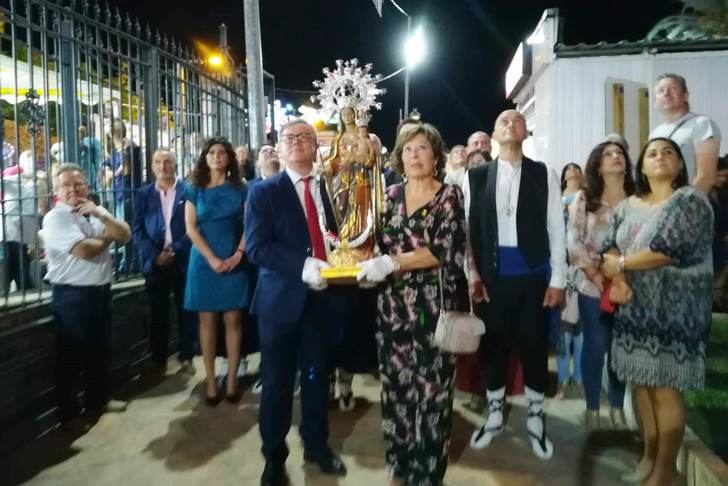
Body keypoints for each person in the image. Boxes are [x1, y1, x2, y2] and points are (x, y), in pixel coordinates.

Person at [356, 122, 468, 486]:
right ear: (399, 157)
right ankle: (398, 469)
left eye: (422, 148)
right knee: (396, 393)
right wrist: (362, 260)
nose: (414, 154)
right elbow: (370, 241)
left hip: (434, 310)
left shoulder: (449, 196)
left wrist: (394, 262)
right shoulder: (387, 196)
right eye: (407, 149)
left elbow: (444, 250)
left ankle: (428, 474)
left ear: (436, 156)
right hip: (391, 310)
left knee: (432, 397)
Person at [601, 138, 713, 486]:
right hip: (634, 309)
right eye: (652, 153)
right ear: (642, 167)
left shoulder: (690, 201)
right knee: (642, 385)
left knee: (665, 388)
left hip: (675, 312)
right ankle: (650, 455)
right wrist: (618, 278)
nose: (660, 157)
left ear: (680, 166)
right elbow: (608, 245)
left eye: (669, 152)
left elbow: (667, 249)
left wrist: (619, 264)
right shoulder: (627, 205)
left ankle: (667, 471)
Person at [246, 120, 348, 485]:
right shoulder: (264, 192)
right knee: (276, 383)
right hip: (279, 304)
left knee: (317, 378)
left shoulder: (331, 188)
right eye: (291, 137)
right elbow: (257, 248)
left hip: (322, 300)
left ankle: (317, 446)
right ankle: (274, 456)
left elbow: (342, 236)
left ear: (316, 146)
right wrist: (300, 264)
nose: (298, 143)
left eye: (306, 137)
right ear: (281, 147)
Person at [465, 109, 566, 460]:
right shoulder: (476, 177)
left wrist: (558, 278)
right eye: (504, 120)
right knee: (493, 347)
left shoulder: (544, 174)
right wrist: (473, 276)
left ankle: (536, 414)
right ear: (493, 133)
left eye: (518, 120)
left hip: (535, 277)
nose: (511, 123)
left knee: (534, 345)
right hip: (493, 279)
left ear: (526, 132)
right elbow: (469, 234)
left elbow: (557, 227)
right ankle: (495, 413)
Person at [40, 163, 131, 423]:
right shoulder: (56, 217)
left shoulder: (91, 212)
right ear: (57, 191)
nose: (73, 189)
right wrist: (108, 237)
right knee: (71, 356)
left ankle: (97, 401)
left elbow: (125, 233)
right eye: (66, 185)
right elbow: (84, 250)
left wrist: (102, 215)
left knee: (99, 351)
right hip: (72, 296)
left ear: (87, 187)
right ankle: (69, 414)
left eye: (78, 183)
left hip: (100, 291)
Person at [567, 142, 634, 429]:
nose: (615, 157)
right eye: (608, 154)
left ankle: (618, 407)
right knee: (596, 346)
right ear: (597, 164)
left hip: (630, 284)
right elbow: (574, 241)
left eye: (619, 153)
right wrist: (596, 276)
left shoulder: (637, 198)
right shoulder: (585, 198)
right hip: (592, 285)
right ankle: (592, 407)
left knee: (621, 348)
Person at [184, 137, 250, 405]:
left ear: (229, 158)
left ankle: (232, 379)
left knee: (233, 321)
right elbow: (190, 227)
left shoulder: (241, 188)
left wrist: (239, 254)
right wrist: (211, 258)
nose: (217, 156)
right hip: (203, 260)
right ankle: (211, 381)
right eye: (212, 152)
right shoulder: (194, 188)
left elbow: (250, 224)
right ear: (205, 157)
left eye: (222, 152)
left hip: (235, 257)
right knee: (207, 321)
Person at [133, 149, 197, 374]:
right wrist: (154, 254)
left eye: (168, 161)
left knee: (185, 310)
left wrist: (176, 249)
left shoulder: (188, 191)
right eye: (158, 162)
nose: (163, 166)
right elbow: (137, 230)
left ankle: (187, 355)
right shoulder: (143, 194)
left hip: (182, 259)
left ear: (175, 164)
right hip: (155, 262)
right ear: (152, 166)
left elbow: (195, 226)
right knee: (157, 312)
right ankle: (158, 358)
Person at [649, 73, 722, 193]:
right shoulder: (655, 133)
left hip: (689, 205)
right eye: (661, 90)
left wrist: (684, 206)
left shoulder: (702, 124)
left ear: (685, 95)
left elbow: (706, 177)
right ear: (656, 100)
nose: (666, 93)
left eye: (673, 88)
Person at [554, 162, 585, 401]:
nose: (572, 171)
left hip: (582, 267)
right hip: (561, 266)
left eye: (576, 168)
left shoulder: (586, 197)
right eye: (569, 168)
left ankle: (581, 378)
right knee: (563, 326)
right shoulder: (556, 198)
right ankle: (562, 380)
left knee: (581, 327)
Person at [1, 151, 48, 291]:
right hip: (8, 234)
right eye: (28, 160)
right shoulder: (13, 178)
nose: (31, 164)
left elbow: (39, 208)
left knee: (19, 272)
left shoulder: (39, 181)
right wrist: (21, 177)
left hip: (21, 235)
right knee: (18, 274)